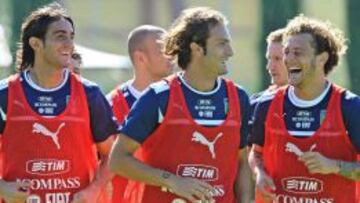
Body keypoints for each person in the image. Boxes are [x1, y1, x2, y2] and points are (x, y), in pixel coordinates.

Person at [109, 7, 252, 203]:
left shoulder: (238, 97)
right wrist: (173, 181)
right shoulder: (159, 96)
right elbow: (118, 160)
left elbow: (242, 162)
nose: (230, 52)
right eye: (222, 44)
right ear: (197, 48)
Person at [0, 3, 118, 203]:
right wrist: (2, 188)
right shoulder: (5, 95)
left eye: (71, 37)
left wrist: (94, 189)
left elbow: (114, 155)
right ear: (36, 44)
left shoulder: (90, 94)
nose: (69, 44)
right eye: (60, 36)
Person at [248, 14, 360, 203]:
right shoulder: (266, 105)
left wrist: (334, 166)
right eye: (287, 52)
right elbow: (256, 153)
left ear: (322, 58)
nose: (289, 59)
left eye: (298, 53)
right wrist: (258, 173)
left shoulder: (350, 107)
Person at [106, 25, 173, 203]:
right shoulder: (110, 104)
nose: (172, 56)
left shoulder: (180, 99)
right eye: (163, 50)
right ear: (140, 57)